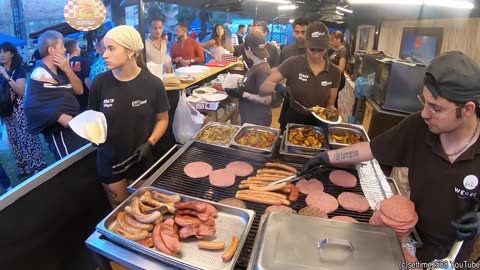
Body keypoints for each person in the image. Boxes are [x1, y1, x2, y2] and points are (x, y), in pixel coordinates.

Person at [302, 51, 480, 265]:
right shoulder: (419, 126)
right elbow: (372, 148)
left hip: (454, 253)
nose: (425, 113)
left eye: (436, 108)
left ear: (468, 109)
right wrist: (327, 156)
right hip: (410, 235)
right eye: (424, 102)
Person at [88, 25, 170, 207]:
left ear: (131, 51)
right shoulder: (100, 84)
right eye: (104, 48)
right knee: (121, 213)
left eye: (111, 48)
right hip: (109, 161)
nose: (104, 54)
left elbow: (162, 119)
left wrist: (150, 143)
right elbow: (91, 119)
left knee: (145, 210)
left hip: (140, 160)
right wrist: (92, 135)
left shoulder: (153, 84)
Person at [259, 21, 341, 131]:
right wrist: (278, 87)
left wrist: (332, 111)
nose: (316, 54)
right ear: (306, 44)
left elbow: (330, 104)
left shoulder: (334, 72)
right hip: (293, 119)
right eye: (312, 49)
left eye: (321, 49)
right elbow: (263, 87)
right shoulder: (293, 63)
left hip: (318, 124)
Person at [24, 30, 86, 161]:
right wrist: (58, 116)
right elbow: (32, 107)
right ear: (52, 50)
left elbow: (79, 90)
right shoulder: (39, 74)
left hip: (74, 126)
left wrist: (68, 69)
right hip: (59, 132)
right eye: (62, 46)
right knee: (72, 166)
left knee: (83, 162)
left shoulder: (62, 70)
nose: (65, 50)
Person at [0, 42, 47, 180]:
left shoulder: (18, 70)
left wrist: (6, 76)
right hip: (6, 112)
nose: (1, 54)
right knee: (14, 141)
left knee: (27, 139)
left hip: (19, 110)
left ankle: (38, 166)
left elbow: (21, 91)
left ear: (12, 54)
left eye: (5, 51)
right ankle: (24, 168)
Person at [224, 32, 272, 126]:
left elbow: (267, 99)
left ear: (248, 48)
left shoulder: (262, 70)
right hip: (250, 117)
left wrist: (242, 94)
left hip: (257, 120)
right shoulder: (256, 65)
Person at [65, 39, 91, 111]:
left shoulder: (62, 65)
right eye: (78, 47)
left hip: (70, 100)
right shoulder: (84, 61)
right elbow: (87, 80)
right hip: (85, 98)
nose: (79, 49)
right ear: (76, 48)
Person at [329, 31, 349, 107]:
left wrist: (329, 65)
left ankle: (333, 116)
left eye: (332, 40)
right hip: (333, 78)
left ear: (339, 39)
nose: (331, 42)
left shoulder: (343, 50)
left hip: (339, 79)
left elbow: (341, 68)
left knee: (332, 100)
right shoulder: (336, 50)